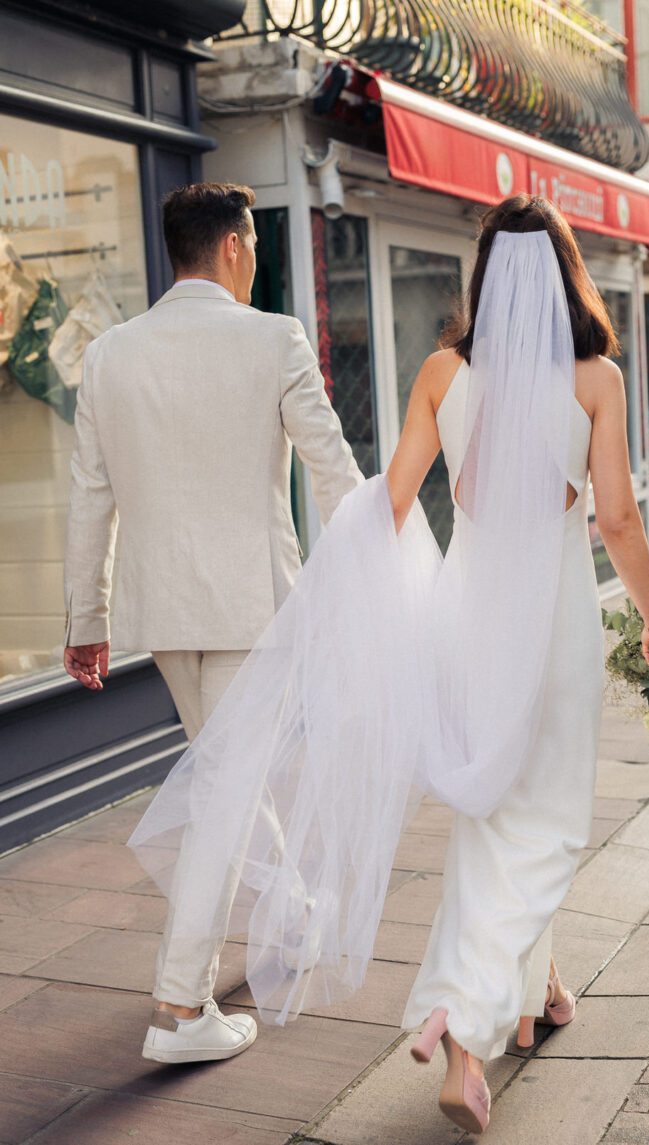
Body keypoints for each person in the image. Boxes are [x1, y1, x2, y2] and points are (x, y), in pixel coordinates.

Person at [128, 193, 649, 1135]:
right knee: (546, 830)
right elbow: (619, 522)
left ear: (482, 279)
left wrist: (361, 602)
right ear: (563, 276)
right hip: (551, 634)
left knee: (491, 825)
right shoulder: (594, 380)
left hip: (464, 630)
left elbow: (387, 504)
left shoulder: (440, 373)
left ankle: (515, 1008)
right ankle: (458, 1014)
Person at [63, 182, 362, 1065]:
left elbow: (90, 500)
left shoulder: (110, 354)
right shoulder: (273, 337)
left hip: (163, 614)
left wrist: (88, 617)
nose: (257, 259)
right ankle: (178, 1003)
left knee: (234, 777)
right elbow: (333, 466)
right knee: (229, 796)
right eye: (256, 246)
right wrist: (373, 566)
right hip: (252, 607)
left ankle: (296, 918)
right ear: (235, 245)